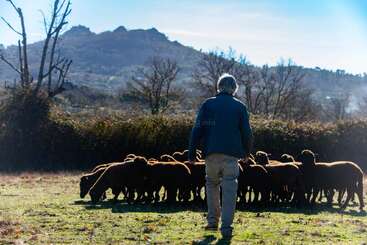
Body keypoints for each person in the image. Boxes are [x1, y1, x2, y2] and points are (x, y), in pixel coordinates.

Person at [188, 73, 253, 239]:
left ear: (219, 86)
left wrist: (192, 152)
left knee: (211, 185)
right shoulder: (239, 107)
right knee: (230, 189)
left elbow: (197, 129)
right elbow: (247, 132)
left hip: (210, 153)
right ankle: (226, 227)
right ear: (234, 88)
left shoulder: (208, 104)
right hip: (231, 155)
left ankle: (212, 222)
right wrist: (247, 152)